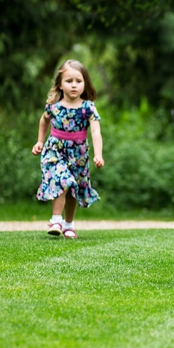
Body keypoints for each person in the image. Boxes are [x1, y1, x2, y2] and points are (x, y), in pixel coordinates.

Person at [32, 59, 104, 239]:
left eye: (78, 81)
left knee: (74, 189)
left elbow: (95, 132)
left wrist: (98, 154)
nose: (74, 85)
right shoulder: (54, 106)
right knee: (62, 180)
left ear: (85, 83)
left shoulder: (88, 108)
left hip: (78, 154)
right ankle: (56, 220)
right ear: (60, 84)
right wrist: (40, 142)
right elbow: (44, 121)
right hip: (55, 150)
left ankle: (68, 224)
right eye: (69, 81)